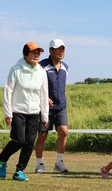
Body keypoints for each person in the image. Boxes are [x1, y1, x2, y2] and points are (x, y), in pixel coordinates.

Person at [0, 42, 49, 181]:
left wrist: (45, 115)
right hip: (18, 111)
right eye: (33, 52)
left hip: (34, 112)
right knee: (19, 140)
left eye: (39, 53)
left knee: (30, 143)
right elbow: (8, 90)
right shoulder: (16, 69)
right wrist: (8, 113)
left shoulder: (41, 72)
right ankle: (1, 159)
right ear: (25, 55)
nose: (37, 55)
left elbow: (44, 93)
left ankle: (19, 171)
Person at [34, 39, 69, 173]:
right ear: (50, 51)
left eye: (63, 49)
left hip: (61, 107)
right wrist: (44, 97)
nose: (61, 51)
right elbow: (35, 85)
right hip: (45, 108)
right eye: (58, 48)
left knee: (64, 132)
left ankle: (59, 162)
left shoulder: (66, 66)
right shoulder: (41, 66)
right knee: (43, 135)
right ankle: (40, 164)